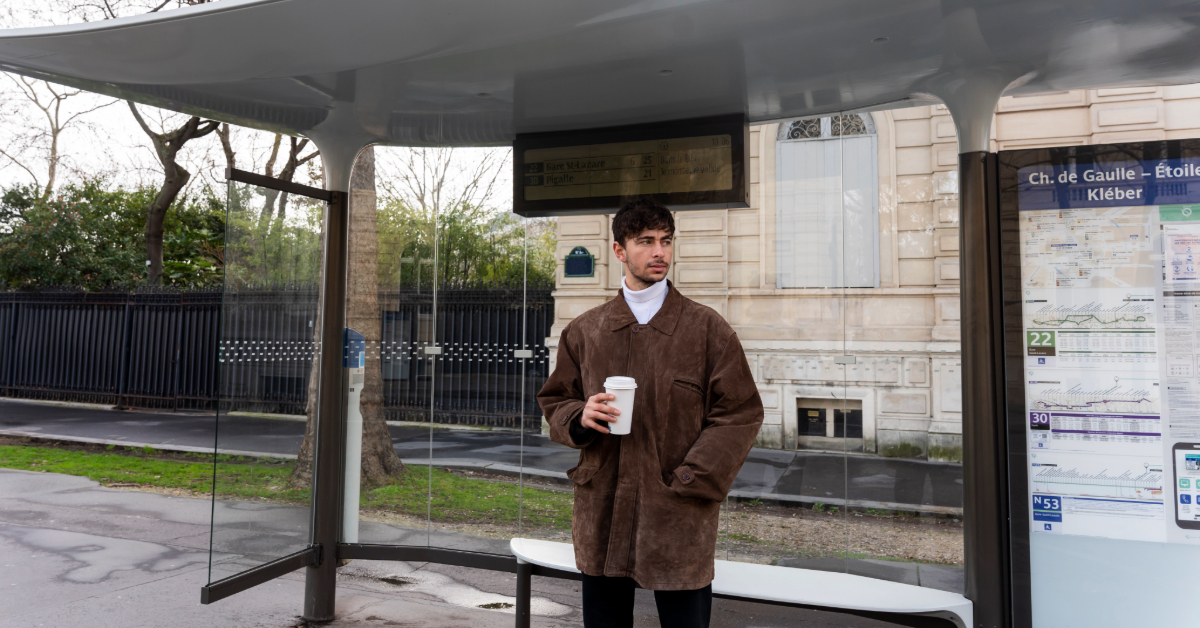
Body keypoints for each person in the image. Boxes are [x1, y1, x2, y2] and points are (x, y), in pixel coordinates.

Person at [538, 198, 764, 628]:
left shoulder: (707, 329)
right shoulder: (585, 331)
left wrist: (688, 480)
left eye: (666, 241)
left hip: (677, 511)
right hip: (602, 509)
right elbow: (555, 400)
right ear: (620, 251)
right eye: (646, 242)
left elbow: (739, 414)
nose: (659, 251)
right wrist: (579, 416)